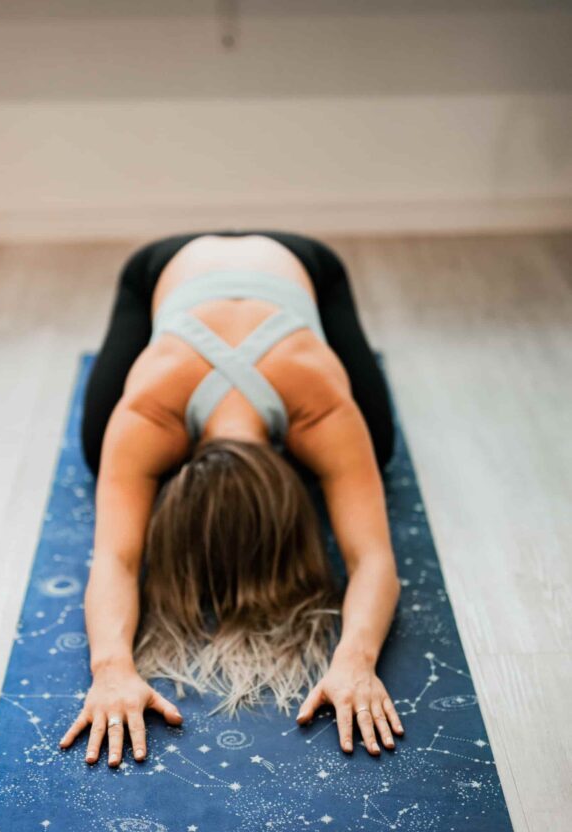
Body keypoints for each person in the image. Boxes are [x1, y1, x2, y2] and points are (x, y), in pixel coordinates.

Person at [58, 230, 404, 769]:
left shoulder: (321, 406)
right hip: (167, 272)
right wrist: (111, 669)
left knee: (378, 446)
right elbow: (116, 560)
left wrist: (357, 660)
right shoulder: (148, 412)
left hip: (301, 266)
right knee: (98, 448)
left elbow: (375, 560)